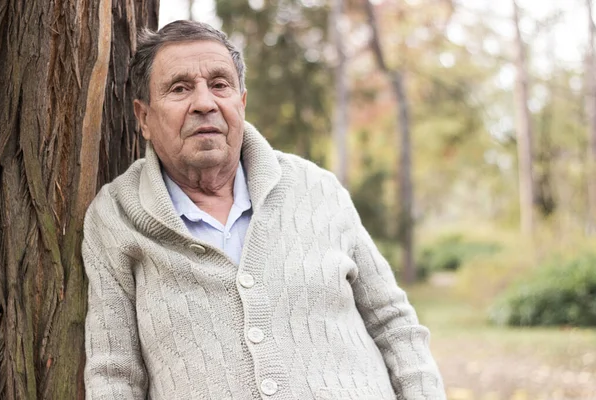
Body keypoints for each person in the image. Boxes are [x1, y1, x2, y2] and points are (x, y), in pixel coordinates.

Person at [82, 20, 446, 400]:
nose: (205, 103)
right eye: (179, 88)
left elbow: (393, 324)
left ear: (241, 103)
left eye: (220, 85)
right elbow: (113, 374)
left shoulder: (316, 188)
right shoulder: (117, 216)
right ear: (143, 118)